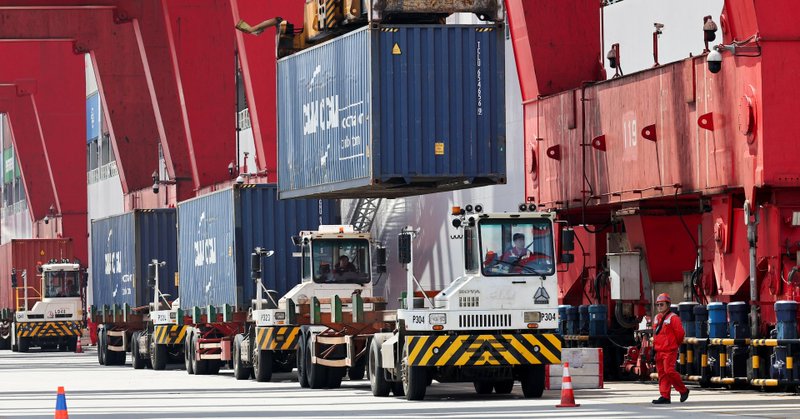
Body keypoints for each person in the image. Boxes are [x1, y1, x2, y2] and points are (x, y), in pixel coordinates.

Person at [652, 293, 689, 404]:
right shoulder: (657, 318)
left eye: (661, 304)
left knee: (669, 371)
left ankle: (683, 390)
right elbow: (655, 335)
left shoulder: (673, 318)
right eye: (657, 305)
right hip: (659, 350)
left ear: (668, 305)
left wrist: (673, 345)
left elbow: (680, 334)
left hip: (669, 351)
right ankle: (665, 396)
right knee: (662, 374)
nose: (659, 307)